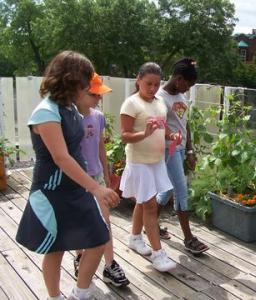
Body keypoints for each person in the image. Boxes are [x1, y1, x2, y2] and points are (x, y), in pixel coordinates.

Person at [15, 50, 120, 300]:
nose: (87, 87)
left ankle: (80, 292)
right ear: (71, 79)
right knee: (56, 249)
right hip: (53, 192)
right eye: (85, 81)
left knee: (98, 237)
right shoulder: (46, 111)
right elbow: (61, 158)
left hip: (76, 187)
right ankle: (55, 297)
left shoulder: (71, 107)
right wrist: (96, 188)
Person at [119, 62, 179, 272]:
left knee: (144, 203)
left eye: (156, 84)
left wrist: (171, 136)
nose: (153, 88)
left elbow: (161, 128)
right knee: (150, 206)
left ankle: (135, 238)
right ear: (138, 79)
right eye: (148, 84)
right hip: (139, 162)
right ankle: (158, 254)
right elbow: (124, 136)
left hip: (156, 161)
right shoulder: (131, 104)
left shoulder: (159, 103)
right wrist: (143, 134)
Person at [74, 73, 129, 287]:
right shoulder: (70, 119)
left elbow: (99, 147)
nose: (98, 99)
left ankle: (109, 265)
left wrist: (106, 175)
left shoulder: (97, 117)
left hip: (97, 177)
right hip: (77, 180)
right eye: (93, 94)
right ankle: (80, 258)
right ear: (79, 93)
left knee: (104, 222)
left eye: (99, 95)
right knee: (79, 224)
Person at [156, 58, 209, 254]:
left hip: (180, 150)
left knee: (168, 189)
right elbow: (158, 127)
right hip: (168, 149)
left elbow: (184, 123)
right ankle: (188, 238)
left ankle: (151, 225)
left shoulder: (180, 96)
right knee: (181, 189)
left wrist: (190, 150)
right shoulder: (160, 99)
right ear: (178, 79)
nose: (187, 89)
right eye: (187, 84)